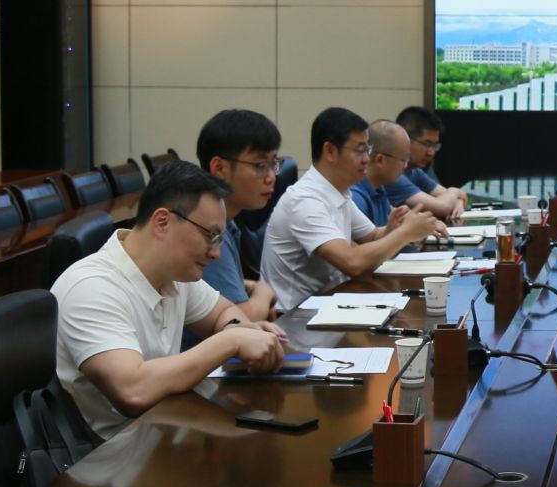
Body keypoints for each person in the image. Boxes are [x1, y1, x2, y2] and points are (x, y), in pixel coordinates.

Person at [54, 162, 290, 439]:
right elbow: (132, 391)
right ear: (162, 222)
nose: (216, 253)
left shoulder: (173, 273)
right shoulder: (91, 288)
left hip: (160, 435)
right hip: (111, 454)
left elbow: (223, 313)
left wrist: (241, 329)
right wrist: (233, 340)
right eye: (210, 236)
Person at [261, 107, 444, 311]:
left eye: (367, 150)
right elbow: (352, 263)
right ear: (330, 151)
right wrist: (406, 233)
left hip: (329, 303)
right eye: (360, 150)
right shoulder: (304, 201)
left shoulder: (339, 191)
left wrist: (395, 227)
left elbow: (372, 236)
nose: (367, 159)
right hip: (295, 317)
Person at [194, 108, 282, 323]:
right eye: (260, 165)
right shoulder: (206, 228)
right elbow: (240, 319)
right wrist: (263, 292)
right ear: (219, 168)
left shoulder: (227, 220)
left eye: (273, 164)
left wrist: (247, 285)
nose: (271, 177)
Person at [392, 105, 466, 219]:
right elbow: (443, 207)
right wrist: (455, 191)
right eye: (426, 144)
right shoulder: (392, 175)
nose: (431, 153)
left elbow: (456, 197)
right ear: (404, 138)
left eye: (435, 146)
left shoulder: (415, 171)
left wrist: (458, 199)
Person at [350, 119, 416, 227]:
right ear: (380, 160)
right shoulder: (356, 198)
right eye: (403, 159)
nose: (405, 166)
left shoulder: (378, 189)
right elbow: (372, 238)